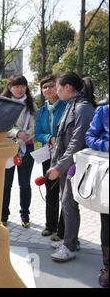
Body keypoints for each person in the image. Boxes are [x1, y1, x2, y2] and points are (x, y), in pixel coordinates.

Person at [47, 72, 96, 262]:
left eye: (58, 86)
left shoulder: (83, 108)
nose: (55, 90)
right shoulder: (72, 105)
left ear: (68, 88)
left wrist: (59, 167)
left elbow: (76, 143)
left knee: (68, 204)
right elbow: (62, 139)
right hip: (66, 164)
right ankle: (71, 241)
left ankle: (69, 247)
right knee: (67, 204)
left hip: (74, 165)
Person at [1, 75, 37, 228]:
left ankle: (25, 215)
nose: (20, 89)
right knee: (5, 184)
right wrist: (16, 134)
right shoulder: (2, 104)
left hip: (26, 148)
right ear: (9, 87)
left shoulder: (31, 105)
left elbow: (34, 127)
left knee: (25, 184)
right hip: (6, 147)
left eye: (22, 86)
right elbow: (0, 125)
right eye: (16, 86)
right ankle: (3, 215)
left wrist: (21, 140)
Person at [34, 74, 68, 238]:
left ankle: (63, 230)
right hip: (48, 155)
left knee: (66, 193)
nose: (48, 89)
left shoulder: (67, 106)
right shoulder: (40, 112)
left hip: (65, 155)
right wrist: (49, 138)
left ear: (58, 87)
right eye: (44, 87)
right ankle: (50, 225)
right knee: (51, 190)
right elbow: (38, 134)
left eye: (51, 86)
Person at [85, 103, 109, 287]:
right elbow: (89, 137)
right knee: (107, 221)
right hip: (108, 173)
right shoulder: (104, 110)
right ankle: (107, 267)